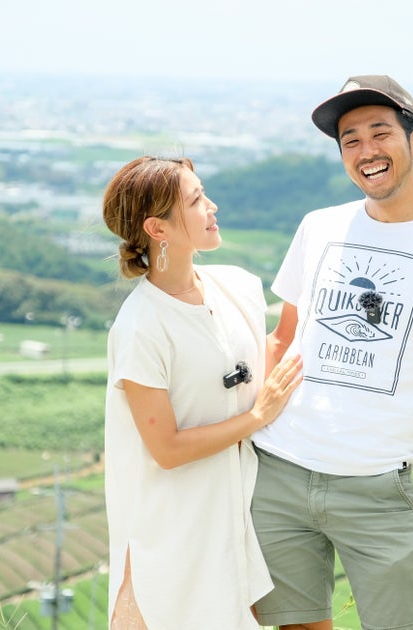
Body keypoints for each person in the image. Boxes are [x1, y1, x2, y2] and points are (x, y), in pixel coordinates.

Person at [252, 75, 413, 629]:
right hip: (279, 472)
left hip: (377, 488)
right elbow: (282, 338)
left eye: (379, 133)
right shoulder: (318, 228)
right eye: (350, 140)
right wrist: (243, 432)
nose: (366, 151)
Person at [100, 156, 303, 629]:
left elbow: (272, 350)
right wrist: (257, 418)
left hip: (236, 519)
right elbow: (166, 449)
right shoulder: (140, 327)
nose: (212, 206)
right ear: (158, 228)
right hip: (170, 530)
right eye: (195, 201)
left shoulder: (238, 287)